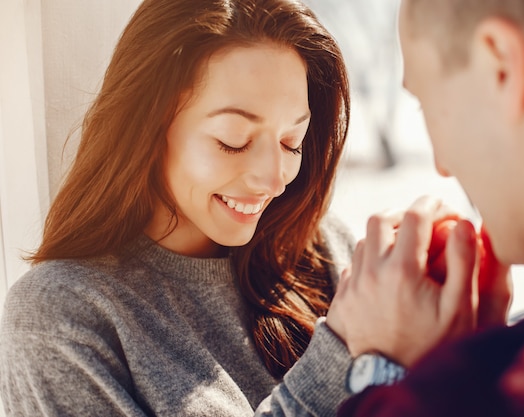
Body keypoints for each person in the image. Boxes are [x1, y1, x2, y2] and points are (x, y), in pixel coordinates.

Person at [0, 0, 356, 415]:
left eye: (291, 142)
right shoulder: (63, 315)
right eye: (233, 139)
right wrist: (346, 345)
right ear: (148, 125)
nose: (274, 179)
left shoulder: (323, 246)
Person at [328, 0, 524, 415]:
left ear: (500, 68)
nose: (442, 164)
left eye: (425, 103)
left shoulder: (483, 395)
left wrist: (386, 373)